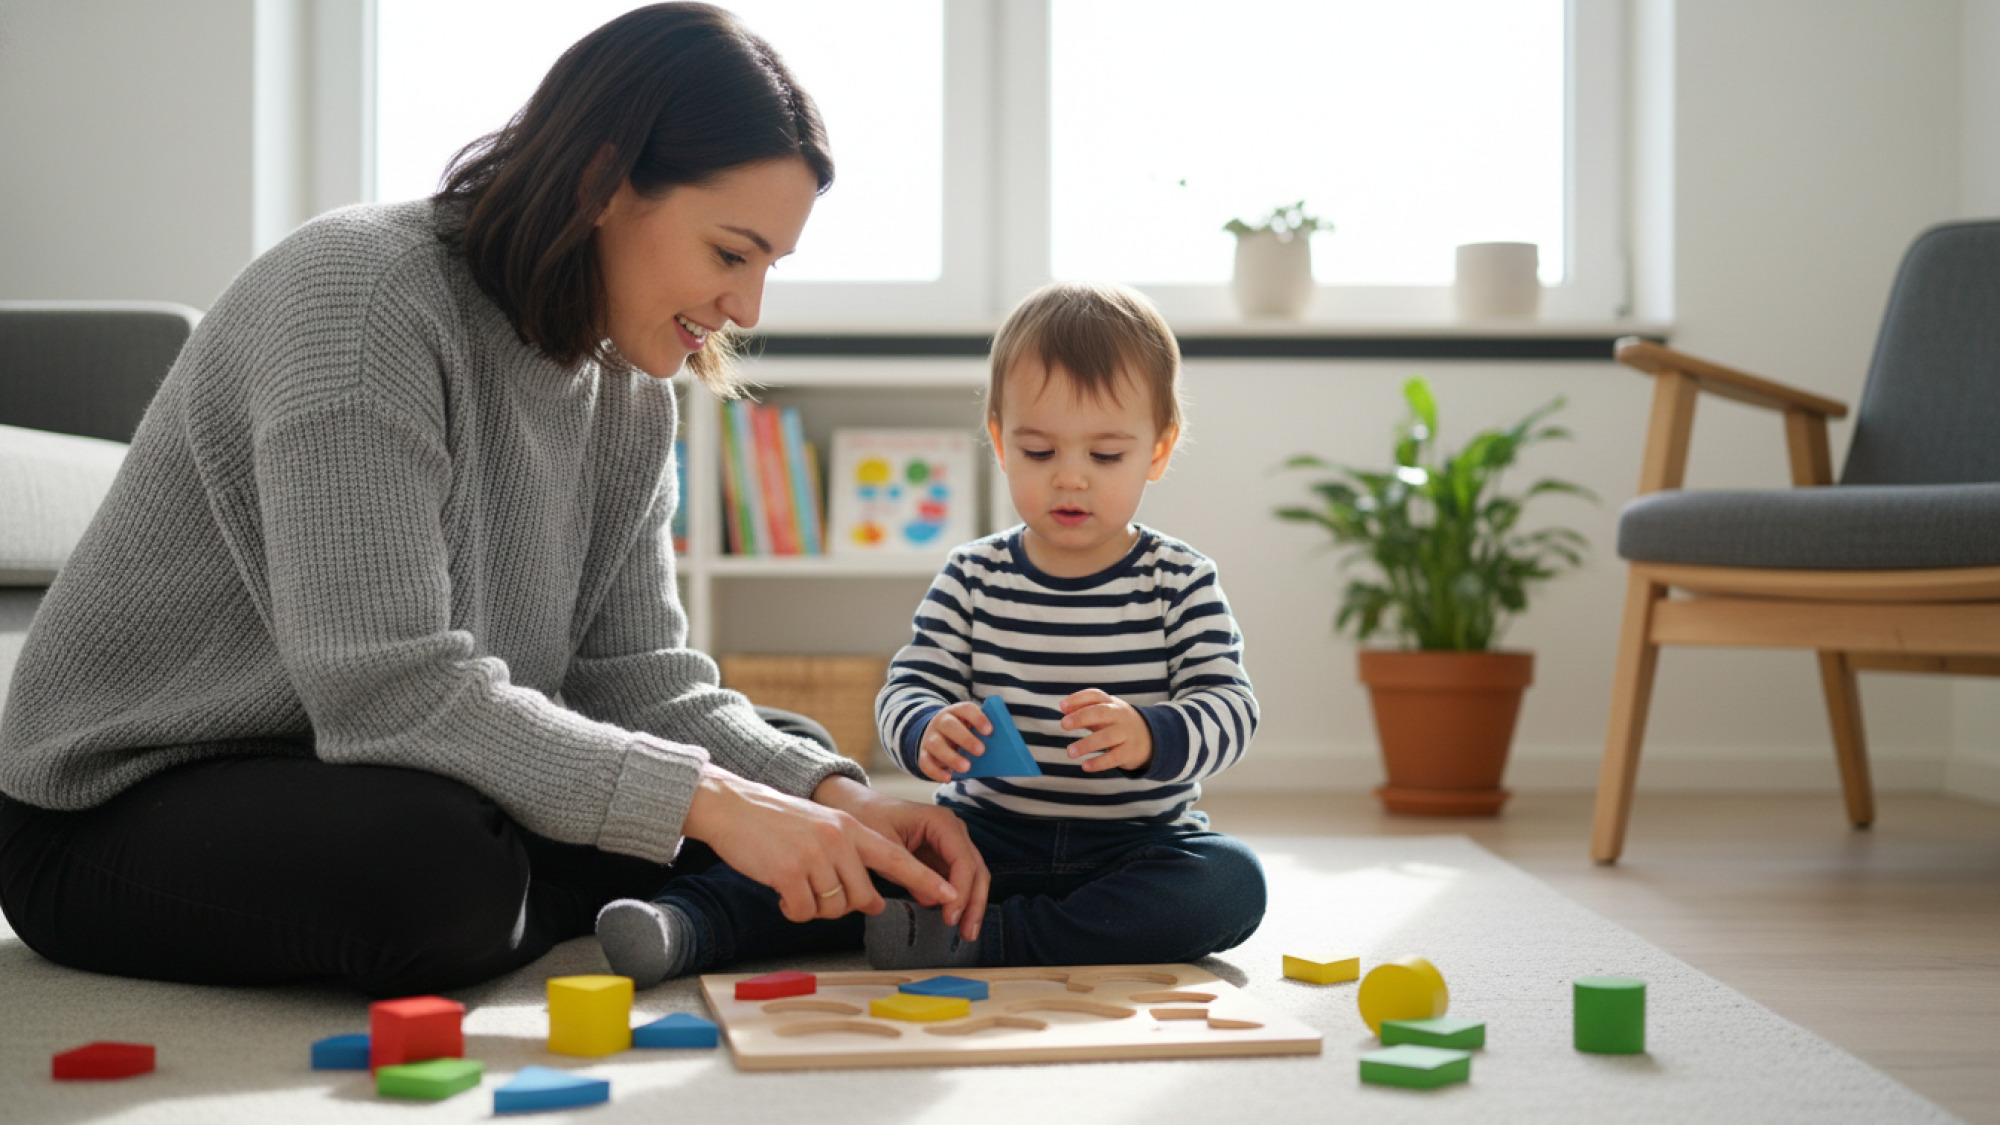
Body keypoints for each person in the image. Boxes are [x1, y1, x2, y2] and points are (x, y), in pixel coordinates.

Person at [0, 2, 985, 999]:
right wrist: (714, 806)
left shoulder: (631, 393)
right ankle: (607, 888)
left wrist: (837, 795)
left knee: (796, 762)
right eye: (731, 253)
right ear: (601, 184)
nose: (748, 307)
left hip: (381, 767)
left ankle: (608, 875)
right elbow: (385, 691)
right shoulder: (361, 298)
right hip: (122, 806)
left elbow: (637, 677)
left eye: (769, 265)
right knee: (447, 868)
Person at [865, 281, 1265, 969]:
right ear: (1000, 442)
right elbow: (908, 685)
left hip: (1135, 847)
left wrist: (1151, 733)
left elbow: (1231, 707)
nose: (1070, 479)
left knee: (1231, 882)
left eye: (1105, 456)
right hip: (985, 842)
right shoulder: (972, 575)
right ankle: (700, 920)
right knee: (852, 848)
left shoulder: (1180, 580)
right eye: (1039, 452)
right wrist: (926, 727)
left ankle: (994, 937)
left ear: (1158, 451)